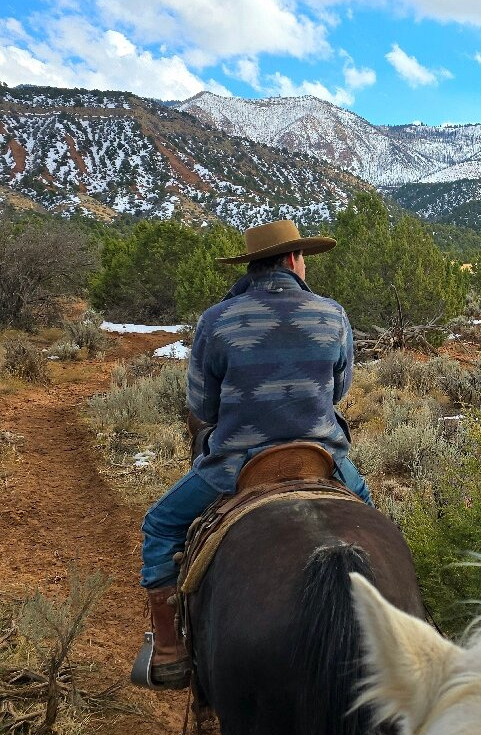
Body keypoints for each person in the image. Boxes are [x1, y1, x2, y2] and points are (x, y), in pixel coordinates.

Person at [133, 219, 372, 689]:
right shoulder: (332, 314)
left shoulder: (217, 320)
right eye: (303, 258)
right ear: (293, 259)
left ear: (254, 264)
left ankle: (169, 649)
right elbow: (339, 390)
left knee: (160, 525)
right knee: (373, 521)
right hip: (321, 456)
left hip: (235, 466)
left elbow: (203, 406)